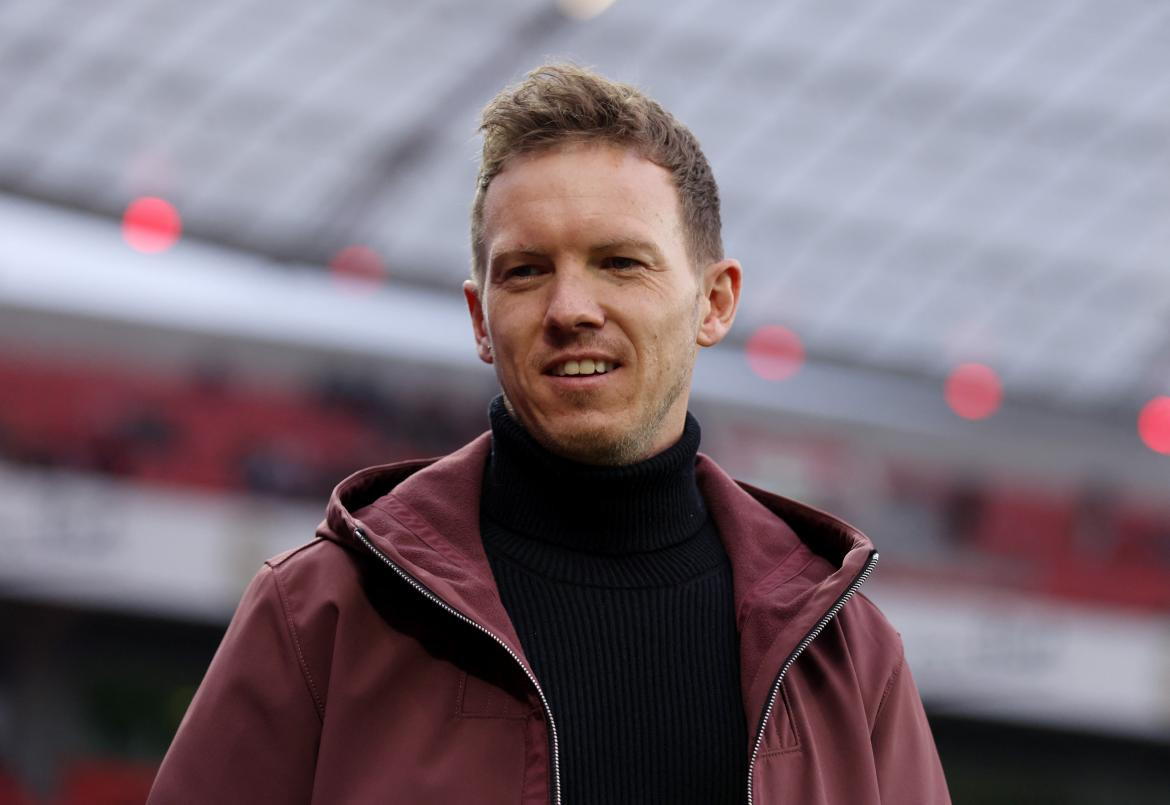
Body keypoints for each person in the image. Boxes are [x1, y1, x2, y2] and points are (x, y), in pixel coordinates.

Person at [149, 63, 949, 804]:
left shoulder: (849, 656)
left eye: (620, 263)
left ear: (715, 302)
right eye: (527, 270)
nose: (570, 309)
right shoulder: (319, 612)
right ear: (480, 319)